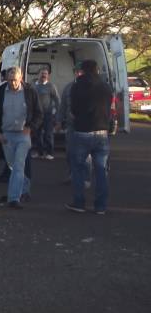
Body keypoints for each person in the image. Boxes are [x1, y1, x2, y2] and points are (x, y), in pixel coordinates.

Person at [0, 66, 43, 209]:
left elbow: (38, 113)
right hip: (6, 134)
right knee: (13, 166)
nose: (12, 83)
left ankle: (14, 198)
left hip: (23, 134)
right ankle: (24, 189)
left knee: (19, 165)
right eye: (10, 80)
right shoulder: (0, 92)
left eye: (15, 80)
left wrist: (30, 127)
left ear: (21, 78)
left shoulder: (30, 91)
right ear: (6, 79)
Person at [67, 59, 112, 215]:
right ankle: (101, 206)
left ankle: (79, 203)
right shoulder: (106, 87)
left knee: (78, 169)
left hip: (82, 131)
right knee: (101, 170)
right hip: (102, 132)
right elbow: (109, 108)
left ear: (83, 70)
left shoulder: (77, 86)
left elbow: (73, 109)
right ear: (97, 69)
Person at [32, 68, 60, 159]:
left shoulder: (51, 86)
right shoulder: (33, 86)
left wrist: (56, 113)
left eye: (46, 74)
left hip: (48, 114)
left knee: (48, 134)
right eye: (42, 73)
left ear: (48, 76)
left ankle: (49, 153)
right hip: (36, 115)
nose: (44, 75)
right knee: (37, 134)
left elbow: (57, 100)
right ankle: (39, 152)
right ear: (38, 74)